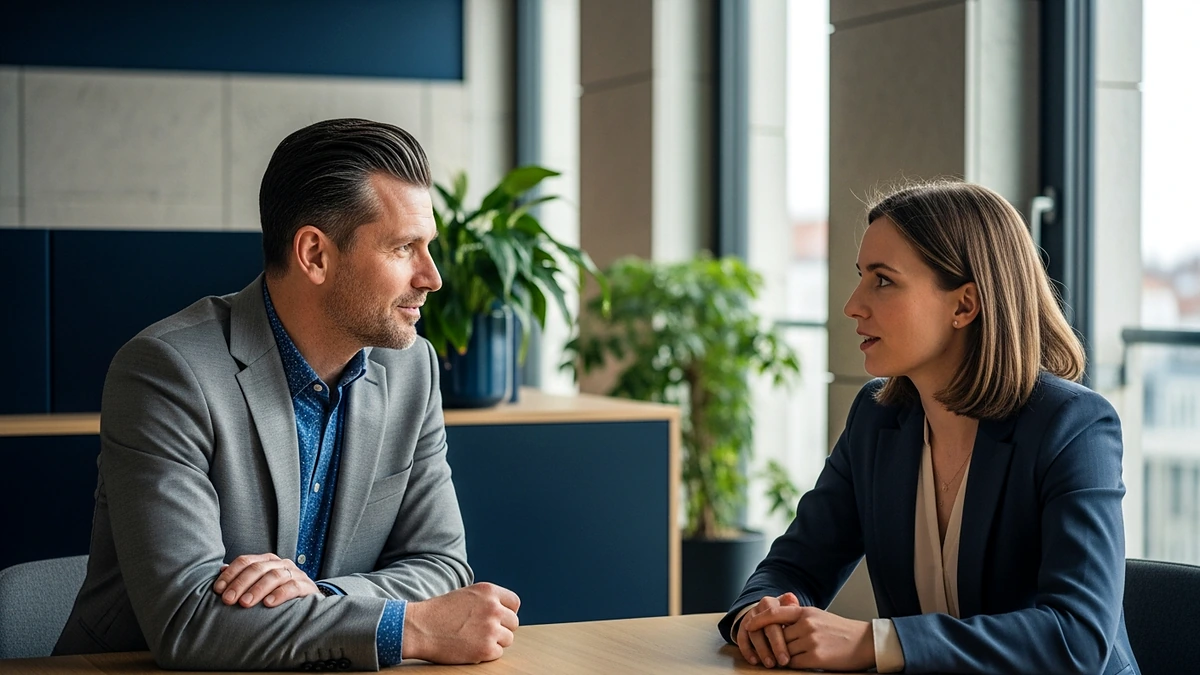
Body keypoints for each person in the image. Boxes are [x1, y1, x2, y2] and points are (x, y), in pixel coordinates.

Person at [54, 118, 520, 671]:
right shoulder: (167, 372)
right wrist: (408, 624)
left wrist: (324, 597)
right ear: (315, 254)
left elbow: (441, 564)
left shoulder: (411, 369)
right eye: (403, 248)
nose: (432, 276)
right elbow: (188, 622)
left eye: (429, 248)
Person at [719, 181, 1140, 674]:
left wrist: (872, 642)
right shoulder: (876, 419)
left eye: (882, 280)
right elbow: (794, 565)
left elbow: (1076, 637)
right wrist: (762, 616)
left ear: (964, 305)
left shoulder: (1072, 427)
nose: (852, 305)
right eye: (861, 277)